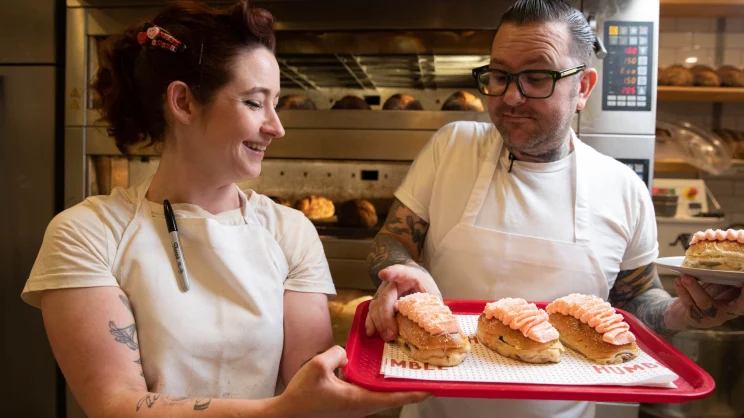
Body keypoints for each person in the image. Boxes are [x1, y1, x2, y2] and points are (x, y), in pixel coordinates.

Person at [21, 1, 426, 417]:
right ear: (183, 102)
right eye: (254, 103)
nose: (277, 126)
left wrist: (386, 328)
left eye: (276, 103)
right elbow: (116, 405)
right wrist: (281, 411)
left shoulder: (290, 231)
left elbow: (314, 382)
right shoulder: (88, 233)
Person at [365, 1, 743, 418]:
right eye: (499, 75)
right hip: (435, 408)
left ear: (582, 87)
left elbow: (635, 299)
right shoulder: (452, 148)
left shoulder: (623, 189)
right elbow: (393, 239)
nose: (511, 96)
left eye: (537, 77)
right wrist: (404, 270)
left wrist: (683, 311)